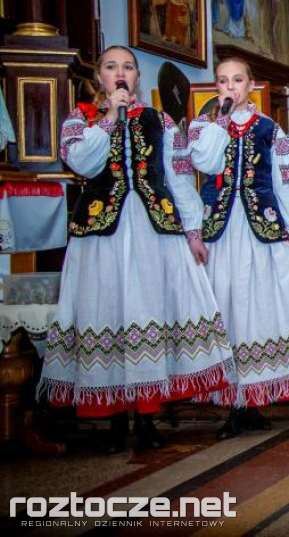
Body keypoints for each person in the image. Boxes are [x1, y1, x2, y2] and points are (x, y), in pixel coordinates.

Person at [40, 46, 232, 453]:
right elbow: (82, 162)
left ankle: (146, 416)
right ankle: (111, 419)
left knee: (147, 311)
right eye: (111, 67)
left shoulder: (158, 120)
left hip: (151, 231)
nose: (121, 73)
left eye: (128, 67)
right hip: (101, 233)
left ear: (136, 78)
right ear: (100, 79)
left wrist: (193, 232)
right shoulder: (81, 119)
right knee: (104, 310)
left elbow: (179, 177)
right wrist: (110, 117)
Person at [188, 57, 289, 439]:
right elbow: (203, 161)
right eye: (223, 81)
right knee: (227, 309)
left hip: (260, 232)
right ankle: (233, 400)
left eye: (237, 80)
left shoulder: (269, 129)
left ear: (250, 85)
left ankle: (252, 398)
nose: (230, 87)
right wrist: (218, 122)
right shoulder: (204, 126)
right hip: (220, 232)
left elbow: (287, 181)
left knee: (258, 310)